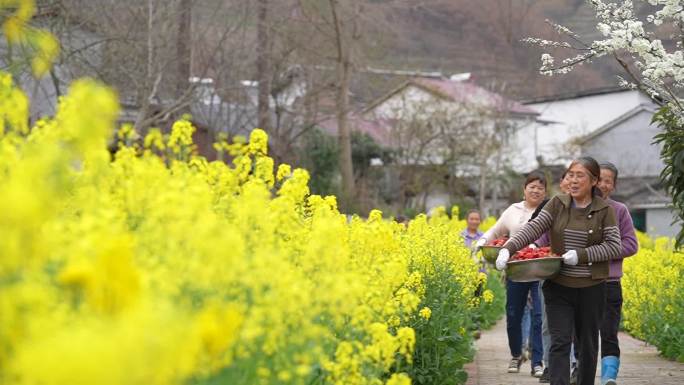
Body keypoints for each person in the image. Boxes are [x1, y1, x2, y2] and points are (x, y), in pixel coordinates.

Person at [496, 157, 621, 385]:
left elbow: (614, 245)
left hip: (591, 289)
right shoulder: (557, 204)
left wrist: (581, 255)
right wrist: (508, 248)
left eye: (579, 175)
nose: (573, 180)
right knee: (559, 342)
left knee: (587, 346)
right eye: (570, 174)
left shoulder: (605, 210)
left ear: (593, 181)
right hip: (559, 286)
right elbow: (534, 228)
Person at [475, 171, 547, 377]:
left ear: (545, 192)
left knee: (538, 317)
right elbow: (496, 231)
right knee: (513, 314)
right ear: (524, 189)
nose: (535, 190)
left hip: (541, 270)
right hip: (516, 269)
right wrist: (483, 240)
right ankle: (516, 354)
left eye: (540, 187)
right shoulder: (513, 210)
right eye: (532, 186)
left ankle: (537, 361)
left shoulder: (549, 210)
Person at [597, 162, 638, 385]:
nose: (603, 184)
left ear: (613, 185)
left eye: (608, 181)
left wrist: (600, 252)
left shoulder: (619, 210)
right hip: (580, 282)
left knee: (609, 332)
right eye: (600, 179)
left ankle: (608, 377)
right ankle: (577, 369)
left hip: (609, 282)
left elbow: (631, 245)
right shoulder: (576, 209)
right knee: (579, 333)